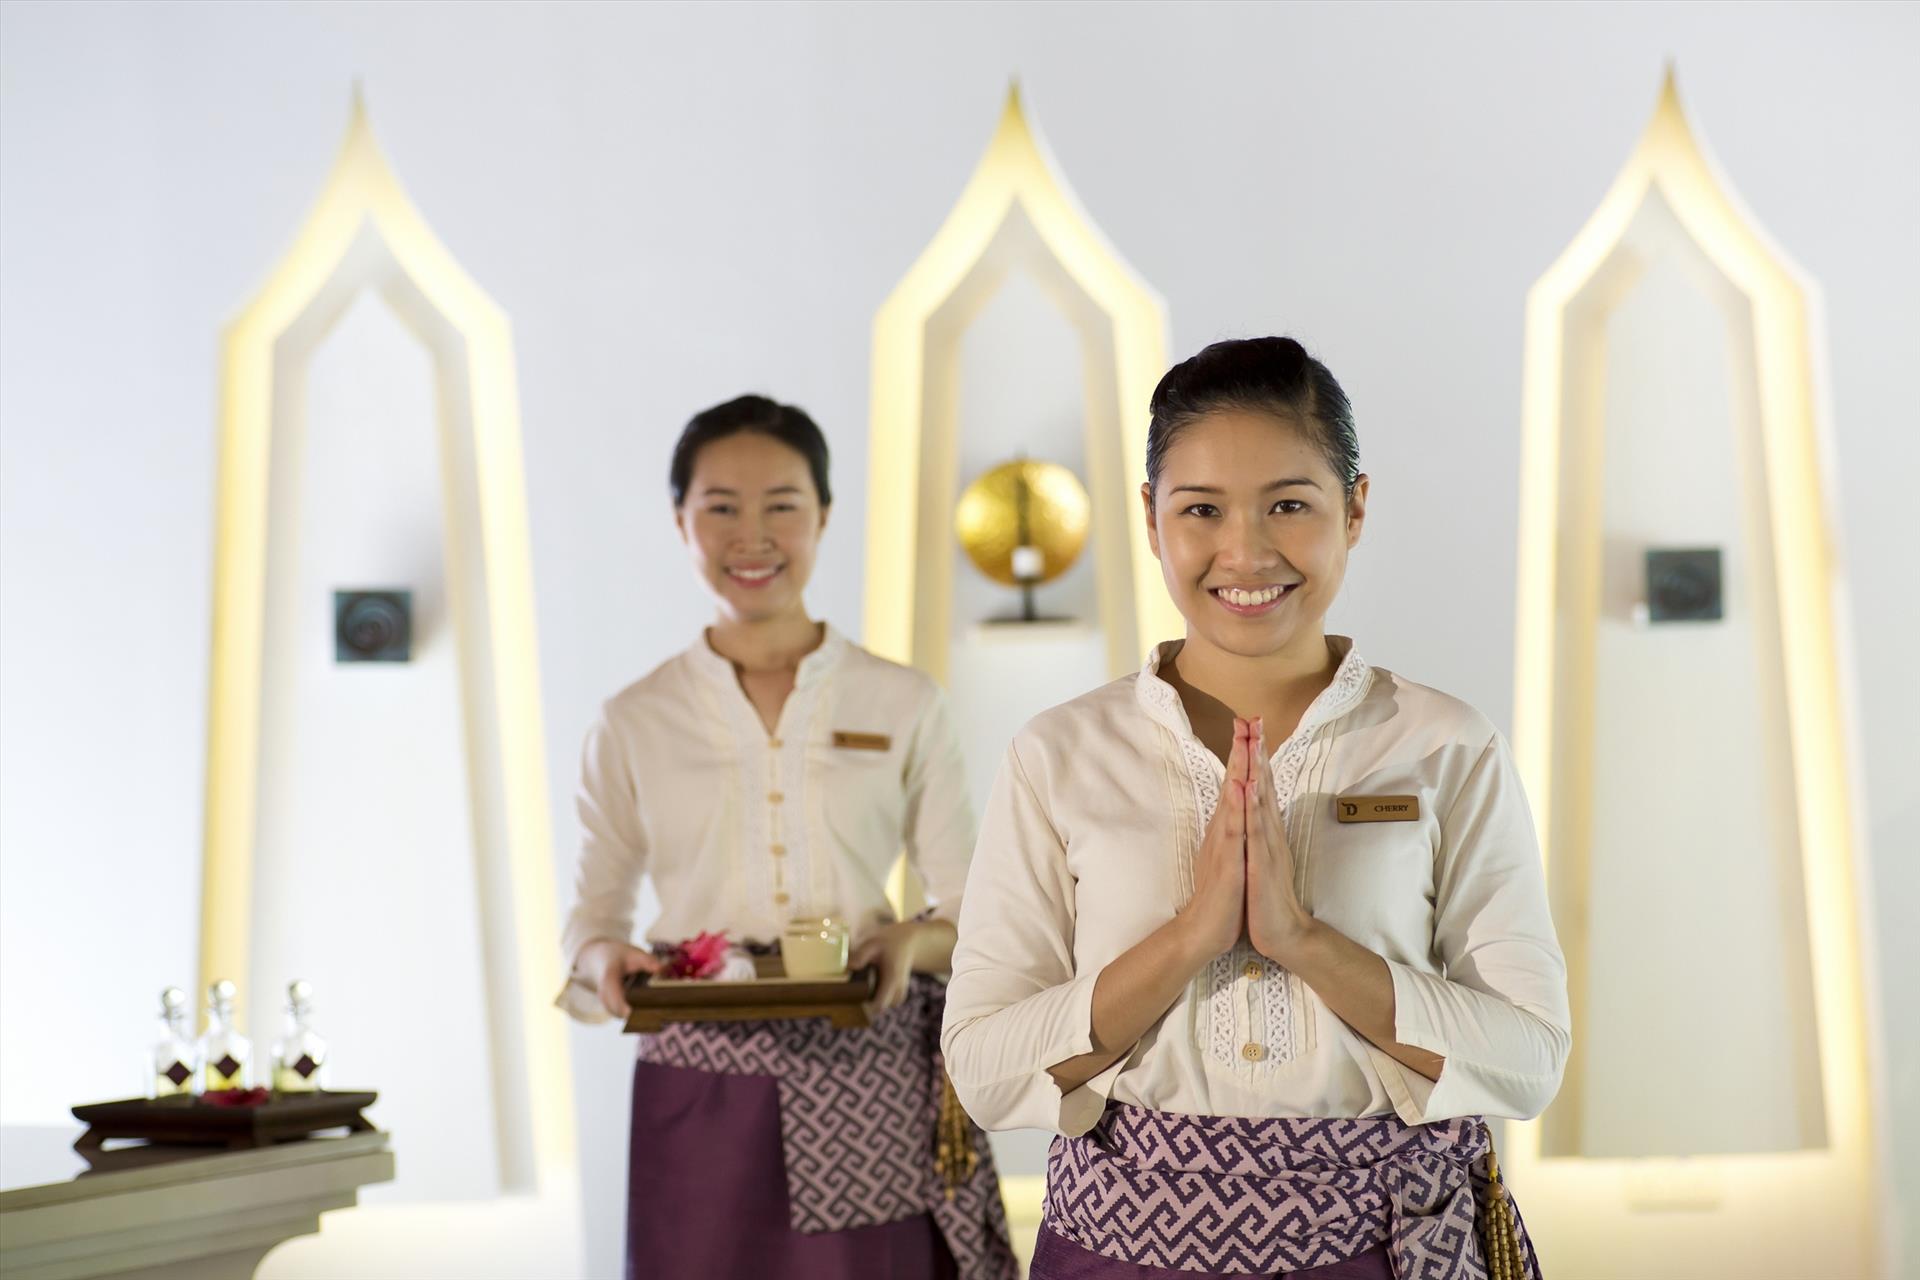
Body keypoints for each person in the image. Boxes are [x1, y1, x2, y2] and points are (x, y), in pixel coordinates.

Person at [941, 338, 1570, 1280]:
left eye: (1288, 504)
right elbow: (985, 1070)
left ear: (1355, 508)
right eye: (1201, 509)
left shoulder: (1446, 744)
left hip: (1383, 1249)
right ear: (1150, 518)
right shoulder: (1057, 754)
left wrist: (1302, 941)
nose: (1245, 552)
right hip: (1121, 1253)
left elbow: (1530, 1059)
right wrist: (1190, 938)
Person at [557, 394, 1016, 1279]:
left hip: (865, 1062)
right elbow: (591, 918)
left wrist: (910, 942)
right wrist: (606, 961)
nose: (753, 537)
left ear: (824, 515)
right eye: (721, 508)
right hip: (697, 1072)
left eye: (781, 506)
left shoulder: (903, 701)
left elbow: (975, 906)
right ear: (680, 522)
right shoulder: (633, 719)